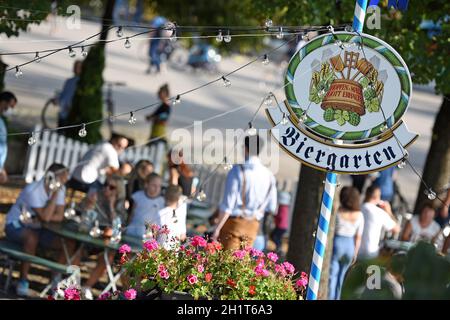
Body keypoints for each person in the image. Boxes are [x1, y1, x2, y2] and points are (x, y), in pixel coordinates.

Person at [4, 163, 76, 296]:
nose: (63, 183)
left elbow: (59, 216)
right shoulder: (33, 190)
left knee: (68, 243)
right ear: (51, 177)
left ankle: (56, 281)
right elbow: (46, 217)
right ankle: (23, 281)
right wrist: (55, 196)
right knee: (32, 238)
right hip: (15, 225)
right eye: (62, 179)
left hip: (38, 228)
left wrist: (46, 214)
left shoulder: (60, 189)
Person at [212, 134, 277, 250]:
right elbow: (271, 207)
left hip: (234, 223)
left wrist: (217, 228)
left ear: (246, 148)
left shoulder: (238, 170)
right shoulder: (269, 175)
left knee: (226, 263)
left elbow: (228, 204)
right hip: (253, 226)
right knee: (243, 265)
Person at [79, 175, 127, 299]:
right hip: (90, 236)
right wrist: (89, 206)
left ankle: (86, 287)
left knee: (108, 256)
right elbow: (84, 221)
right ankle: (63, 282)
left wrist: (111, 207)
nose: (106, 188)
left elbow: (118, 227)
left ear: (118, 190)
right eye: (105, 184)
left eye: (111, 187)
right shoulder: (96, 197)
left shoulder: (120, 204)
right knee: (75, 247)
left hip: (107, 242)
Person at [328, 186, 364, 300]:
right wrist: (355, 253)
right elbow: (358, 237)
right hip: (350, 246)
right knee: (342, 277)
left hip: (338, 243)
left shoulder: (338, 211)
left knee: (332, 276)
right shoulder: (359, 215)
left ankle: (329, 297)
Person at [358, 185, 401, 260]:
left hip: (356, 250)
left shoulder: (358, 208)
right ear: (377, 197)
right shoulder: (379, 212)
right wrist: (389, 211)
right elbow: (397, 229)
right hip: (371, 253)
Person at [126, 173, 165, 238]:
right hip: (133, 231)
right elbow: (131, 214)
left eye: (159, 186)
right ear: (146, 185)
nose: (157, 188)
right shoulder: (138, 196)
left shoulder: (162, 201)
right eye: (154, 185)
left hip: (149, 235)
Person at [53, 60, 82, 129]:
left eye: (78, 67)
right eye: (75, 66)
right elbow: (63, 95)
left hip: (73, 116)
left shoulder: (82, 83)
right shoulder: (69, 81)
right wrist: (57, 100)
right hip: (63, 114)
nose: (76, 68)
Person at [158, 185, 187, 249]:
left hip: (159, 251)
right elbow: (182, 237)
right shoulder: (180, 214)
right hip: (173, 252)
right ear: (178, 199)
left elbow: (153, 233)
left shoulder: (160, 213)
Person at [0, 91, 18, 184]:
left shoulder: (1, 122)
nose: (10, 109)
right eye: (11, 106)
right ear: (3, 102)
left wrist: (2, 168)